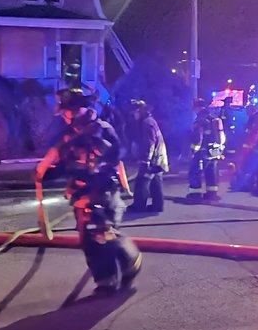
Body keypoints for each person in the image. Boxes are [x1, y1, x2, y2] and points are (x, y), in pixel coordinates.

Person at [35, 89, 141, 294]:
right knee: (88, 240)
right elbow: (65, 165)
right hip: (81, 194)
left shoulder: (102, 129)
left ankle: (131, 262)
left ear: (79, 109)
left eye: (67, 111)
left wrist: (96, 145)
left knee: (104, 233)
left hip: (103, 191)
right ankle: (105, 281)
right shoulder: (68, 136)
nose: (65, 116)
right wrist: (45, 174)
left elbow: (117, 154)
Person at [129, 100, 168, 213]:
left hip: (153, 159)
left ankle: (139, 206)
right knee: (155, 181)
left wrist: (146, 160)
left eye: (135, 112)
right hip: (159, 158)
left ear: (140, 111)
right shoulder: (150, 121)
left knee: (141, 182)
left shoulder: (146, 123)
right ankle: (158, 206)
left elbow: (149, 143)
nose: (134, 115)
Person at [187, 98, 225, 202]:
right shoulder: (213, 118)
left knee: (195, 172)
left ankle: (195, 194)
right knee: (211, 172)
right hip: (214, 151)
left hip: (202, 151)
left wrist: (193, 151)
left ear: (197, 107)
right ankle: (211, 194)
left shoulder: (200, 120)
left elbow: (197, 138)